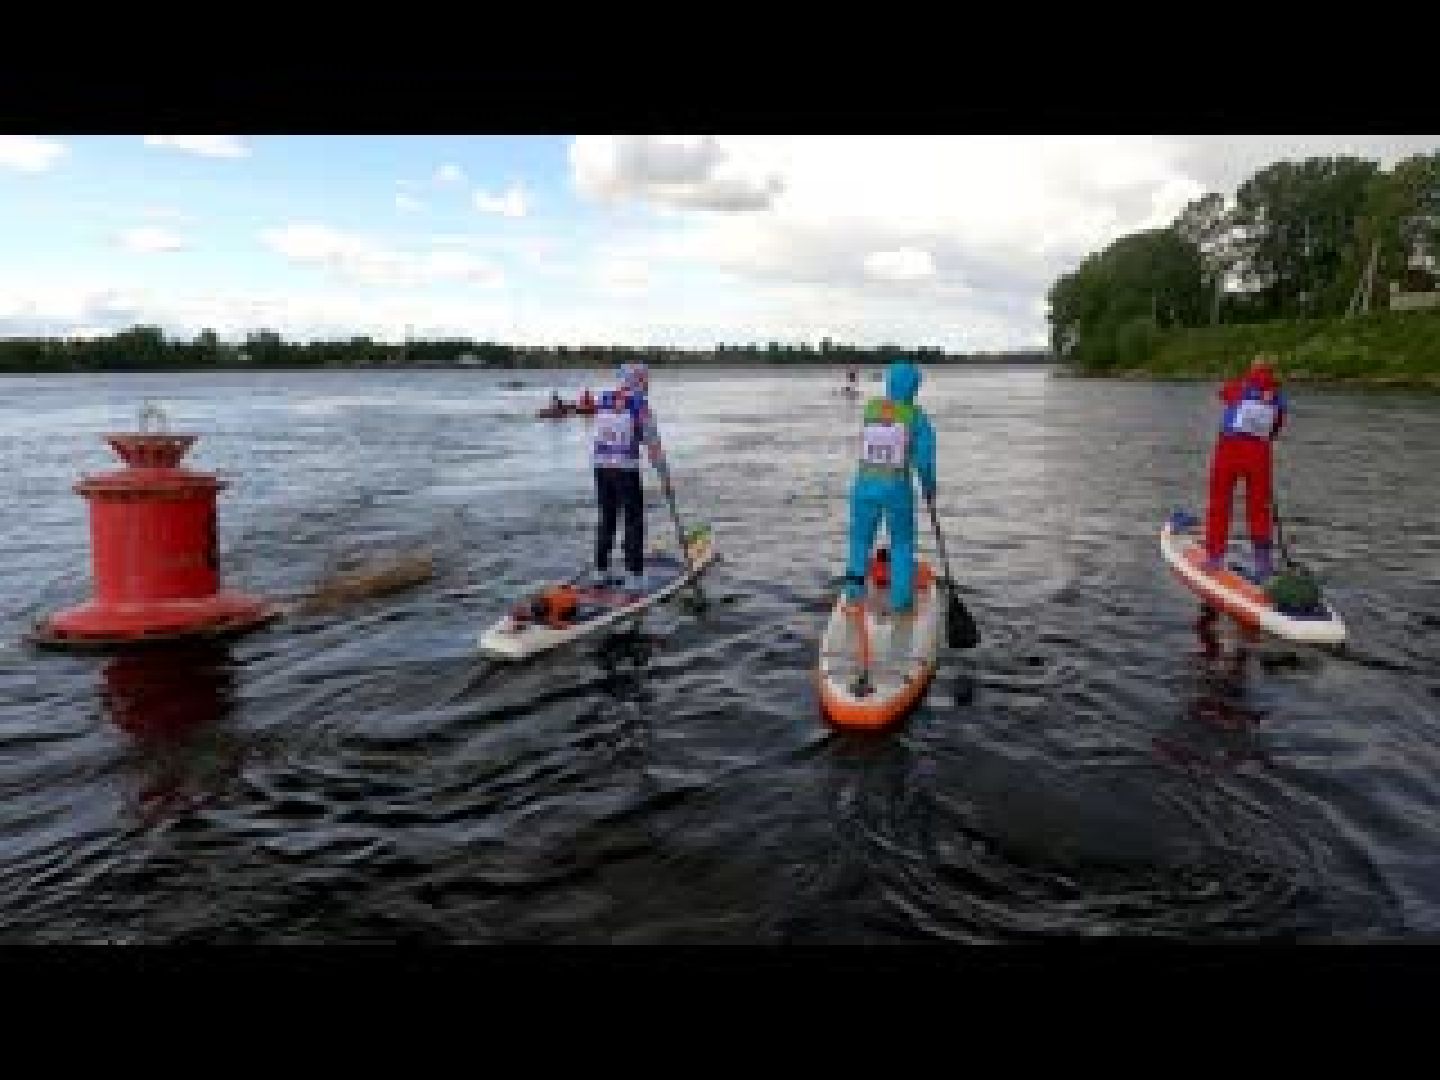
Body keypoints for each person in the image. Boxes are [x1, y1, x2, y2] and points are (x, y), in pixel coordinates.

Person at [843, 357, 937, 619]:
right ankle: (900, 602)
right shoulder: (917, 417)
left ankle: (853, 596)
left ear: (889, 383)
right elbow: (925, 461)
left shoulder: (872, 408)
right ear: (914, 387)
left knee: (860, 540)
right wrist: (929, 490)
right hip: (897, 489)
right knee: (902, 544)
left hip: (863, 487)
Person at [1203, 354, 1286, 581]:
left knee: (1220, 501)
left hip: (1230, 449)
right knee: (1259, 507)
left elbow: (1222, 394)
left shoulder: (1239, 386)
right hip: (1260, 453)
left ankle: (1215, 558)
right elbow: (1276, 429)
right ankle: (1263, 564)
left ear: (1253, 368)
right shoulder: (1278, 396)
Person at [591, 362, 670, 592]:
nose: (648, 384)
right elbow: (653, 445)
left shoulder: (604, 399)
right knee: (633, 520)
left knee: (607, 518)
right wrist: (664, 476)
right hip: (625, 469)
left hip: (601, 468)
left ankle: (600, 571)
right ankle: (634, 575)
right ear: (638, 380)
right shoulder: (640, 406)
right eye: (646, 379)